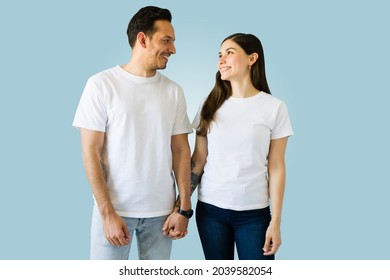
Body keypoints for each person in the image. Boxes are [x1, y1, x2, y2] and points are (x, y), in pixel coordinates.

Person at [72, 6, 193, 260]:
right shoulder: (101, 85)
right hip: (114, 211)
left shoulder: (174, 92)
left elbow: (181, 152)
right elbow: (90, 152)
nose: (173, 49)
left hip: (162, 215)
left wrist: (183, 209)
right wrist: (106, 214)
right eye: (166, 40)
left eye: (173, 42)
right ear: (142, 39)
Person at [166, 33, 294, 259]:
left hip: (254, 215)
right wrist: (181, 209)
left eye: (229, 53)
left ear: (252, 58)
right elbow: (198, 160)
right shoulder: (210, 103)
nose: (221, 60)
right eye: (219, 55)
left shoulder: (274, 107)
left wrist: (276, 222)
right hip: (211, 211)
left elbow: (276, 166)